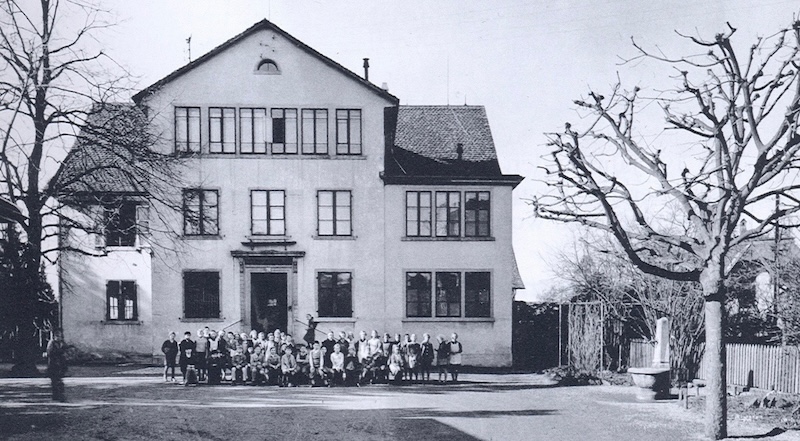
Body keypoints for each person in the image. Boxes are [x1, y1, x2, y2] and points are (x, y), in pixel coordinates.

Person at [46, 330, 67, 401]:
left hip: (60, 364)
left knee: (60, 380)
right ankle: (56, 395)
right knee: (55, 381)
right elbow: (50, 353)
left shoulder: (62, 343)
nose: (59, 338)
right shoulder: (51, 343)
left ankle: (61, 395)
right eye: (57, 336)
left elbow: (65, 351)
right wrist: (60, 352)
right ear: (54, 337)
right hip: (53, 364)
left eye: (60, 336)